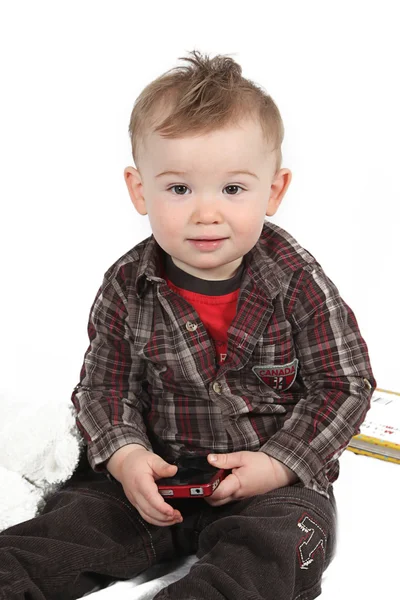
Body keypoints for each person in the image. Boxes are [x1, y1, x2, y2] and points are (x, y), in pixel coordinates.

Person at [0, 49, 375, 600]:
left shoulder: (297, 281)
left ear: (273, 191)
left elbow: (344, 385)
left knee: (277, 548)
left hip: (269, 486)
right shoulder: (127, 285)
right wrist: (126, 456)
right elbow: (106, 386)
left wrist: (277, 466)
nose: (206, 212)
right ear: (139, 189)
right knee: (62, 530)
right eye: (179, 189)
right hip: (156, 476)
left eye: (232, 189)